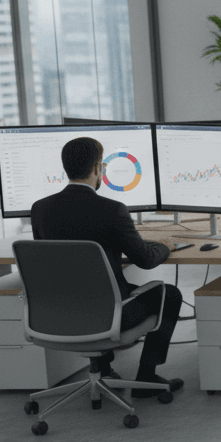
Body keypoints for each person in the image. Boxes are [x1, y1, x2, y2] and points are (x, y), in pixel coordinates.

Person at [29, 137, 184, 399]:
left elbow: (48, 258)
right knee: (169, 294)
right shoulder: (112, 210)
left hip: (58, 314)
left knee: (93, 291)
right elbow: (145, 259)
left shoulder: (40, 209)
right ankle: (146, 376)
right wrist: (166, 246)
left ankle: (104, 371)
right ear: (98, 168)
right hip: (108, 317)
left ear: (66, 168)